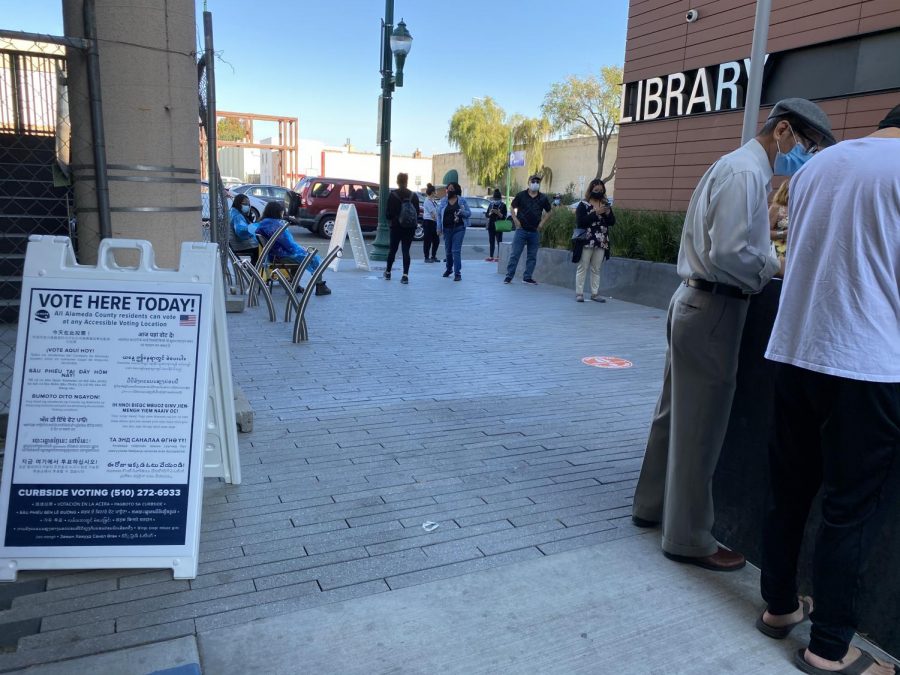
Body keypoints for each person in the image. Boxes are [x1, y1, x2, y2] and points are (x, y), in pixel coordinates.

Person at [631, 98, 835, 572]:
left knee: (672, 415)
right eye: (805, 144)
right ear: (783, 130)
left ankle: (651, 506)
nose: (803, 155)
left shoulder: (736, 167)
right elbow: (730, 252)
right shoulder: (746, 173)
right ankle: (688, 538)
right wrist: (772, 265)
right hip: (716, 305)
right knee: (700, 427)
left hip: (695, 300)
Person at [756, 106, 900, 675]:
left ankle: (778, 606)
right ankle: (831, 648)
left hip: (795, 350)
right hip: (868, 363)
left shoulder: (816, 168)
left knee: (788, 490)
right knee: (849, 511)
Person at [254, 201, 332, 295]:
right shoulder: (275, 225)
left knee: (302, 257)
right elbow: (289, 245)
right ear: (277, 212)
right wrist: (300, 250)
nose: (282, 213)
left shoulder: (265, 223)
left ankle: (294, 285)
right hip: (281, 256)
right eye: (281, 211)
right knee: (312, 257)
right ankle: (320, 286)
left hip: (275, 255)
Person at [572, 179, 614, 302]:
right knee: (583, 266)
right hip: (587, 240)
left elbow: (612, 222)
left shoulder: (605, 204)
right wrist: (596, 213)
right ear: (591, 190)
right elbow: (581, 222)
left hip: (601, 241)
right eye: (596, 190)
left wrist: (608, 212)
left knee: (596, 268)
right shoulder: (583, 205)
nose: (599, 192)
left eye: (601, 190)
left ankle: (595, 294)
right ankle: (579, 293)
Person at [504, 174, 551, 285]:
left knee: (532, 256)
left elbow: (549, 211)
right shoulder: (521, 195)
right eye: (533, 181)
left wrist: (542, 223)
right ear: (529, 182)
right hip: (521, 230)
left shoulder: (543, 198)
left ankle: (527, 277)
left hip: (534, 231)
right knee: (515, 254)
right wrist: (515, 219)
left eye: (538, 182)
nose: (535, 183)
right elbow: (512, 206)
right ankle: (509, 276)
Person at [383, 172, 420, 284]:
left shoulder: (393, 195)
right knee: (406, 251)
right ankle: (405, 275)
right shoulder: (414, 196)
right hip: (409, 227)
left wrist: (394, 218)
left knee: (392, 250)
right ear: (406, 181)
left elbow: (388, 214)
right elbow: (417, 212)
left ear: (397, 182)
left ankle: (388, 272)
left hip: (396, 227)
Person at [437, 181, 470, 281]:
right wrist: (438, 228)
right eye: (448, 189)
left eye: (452, 189)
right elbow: (439, 215)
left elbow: (469, 213)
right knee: (448, 251)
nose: (449, 190)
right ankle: (449, 269)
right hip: (447, 229)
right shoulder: (443, 201)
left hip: (459, 228)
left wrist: (461, 212)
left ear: (456, 190)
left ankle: (457, 273)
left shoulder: (462, 201)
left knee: (456, 251)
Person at [228, 193, 259, 265]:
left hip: (234, 244)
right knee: (260, 249)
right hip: (240, 245)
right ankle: (254, 271)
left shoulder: (233, 211)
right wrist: (253, 228)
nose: (247, 206)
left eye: (248, 204)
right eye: (245, 203)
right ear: (238, 203)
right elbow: (241, 232)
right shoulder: (237, 216)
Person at [767, 180, 789, 259]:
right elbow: (765, 233)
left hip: (796, 249)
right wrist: (783, 233)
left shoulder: (799, 206)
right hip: (780, 250)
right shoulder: (776, 207)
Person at [485, 188, 507, 262]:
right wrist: (490, 213)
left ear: (500, 199)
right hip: (491, 225)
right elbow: (487, 215)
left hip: (499, 225)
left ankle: (499, 256)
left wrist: (498, 212)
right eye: (495, 199)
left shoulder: (503, 205)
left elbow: (504, 217)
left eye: (497, 199)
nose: (496, 200)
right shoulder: (491, 204)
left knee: (499, 241)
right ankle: (491, 256)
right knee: (491, 241)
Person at [422, 183, 440, 263]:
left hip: (433, 223)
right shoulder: (427, 201)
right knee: (427, 241)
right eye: (435, 191)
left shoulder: (432, 201)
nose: (436, 192)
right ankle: (426, 257)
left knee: (436, 240)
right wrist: (439, 221)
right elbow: (433, 214)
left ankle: (433, 256)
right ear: (432, 192)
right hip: (428, 222)